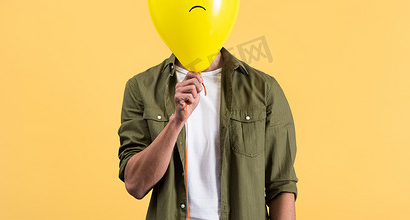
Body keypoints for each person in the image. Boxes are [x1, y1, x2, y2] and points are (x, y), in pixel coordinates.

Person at [117, 46, 299, 220]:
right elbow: (135, 185)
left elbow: (281, 185)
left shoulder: (264, 89)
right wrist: (176, 122)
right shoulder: (141, 88)